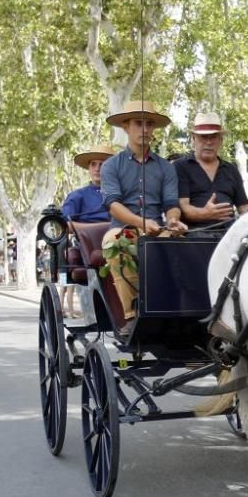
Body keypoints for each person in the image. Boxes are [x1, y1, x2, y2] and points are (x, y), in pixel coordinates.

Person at [100, 101, 187, 328]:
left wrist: (173, 220)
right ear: (126, 127)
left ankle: (183, 312)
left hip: (158, 229)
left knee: (188, 245)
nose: (145, 129)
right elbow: (113, 204)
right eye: (139, 123)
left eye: (150, 124)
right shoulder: (111, 166)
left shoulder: (166, 168)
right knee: (114, 242)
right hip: (124, 228)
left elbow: (171, 203)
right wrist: (141, 222)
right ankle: (131, 314)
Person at [62, 144, 116, 317]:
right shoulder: (78, 196)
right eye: (94, 164)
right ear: (89, 168)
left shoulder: (122, 194)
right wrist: (98, 228)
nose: (98, 168)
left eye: (103, 164)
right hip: (90, 247)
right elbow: (65, 225)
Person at [175, 112, 248, 232]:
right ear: (194, 139)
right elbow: (183, 208)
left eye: (213, 137)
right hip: (193, 236)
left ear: (221, 140)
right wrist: (205, 213)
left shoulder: (231, 169)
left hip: (228, 236)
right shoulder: (181, 167)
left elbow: (243, 207)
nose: (209, 142)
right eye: (203, 137)